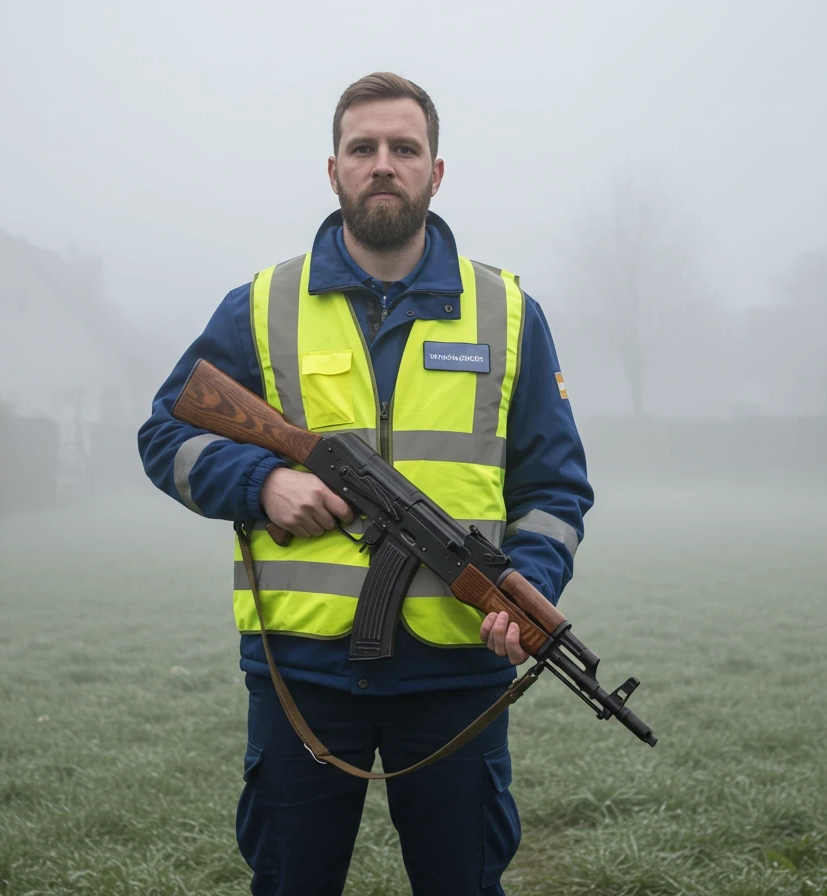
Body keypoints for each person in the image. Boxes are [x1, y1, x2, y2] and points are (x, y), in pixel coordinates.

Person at [138, 71, 593, 896]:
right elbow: (166, 430)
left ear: (436, 171)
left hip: (458, 683)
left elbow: (555, 490)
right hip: (301, 681)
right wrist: (262, 482)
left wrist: (530, 585)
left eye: (404, 148)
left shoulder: (509, 312)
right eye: (364, 148)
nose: (384, 163)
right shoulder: (262, 305)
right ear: (335, 170)